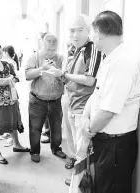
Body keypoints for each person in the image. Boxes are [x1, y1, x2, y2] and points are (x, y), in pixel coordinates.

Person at [81, 11, 140, 193]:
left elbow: (108, 111)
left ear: (98, 33)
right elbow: (96, 94)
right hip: (104, 140)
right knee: (101, 186)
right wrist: (85, 117)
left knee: (111, 188)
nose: (91, 38)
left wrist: (87, 132)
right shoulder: (109, 60)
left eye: (92, 33)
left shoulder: (122, 63)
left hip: (116, 146)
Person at [46, 15, 103, 186]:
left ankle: (81, 184)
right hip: (71, 102)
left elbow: (90, 80)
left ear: (89, 31)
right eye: (72, 31)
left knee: (83, 149)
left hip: (84, 107)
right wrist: (60, 73)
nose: (75, 34)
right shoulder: (75, 50)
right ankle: (77, 180)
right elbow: (69, 78)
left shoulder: (92, 49)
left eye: (80, 30)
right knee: (75, 145)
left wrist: (63, 74)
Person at [0, 41, 30, 165]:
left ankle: (17, 144)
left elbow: (15, 78)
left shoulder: (7, 64)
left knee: (13, 122)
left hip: (11, 99)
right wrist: (9, 79)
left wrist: (10, 79)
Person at [25, 34, 66, 163]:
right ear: (42, 45)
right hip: (37, 100)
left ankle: (56, 148)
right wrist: (42, 68)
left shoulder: (60, 58)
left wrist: (59, 72)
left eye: (53, 50)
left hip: (55, 100)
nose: (51, 53)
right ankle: (35, 151)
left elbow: (65, 77)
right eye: (48, 49)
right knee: (35, 128)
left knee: (56, 127)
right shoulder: (34, 57)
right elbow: (27, 75)